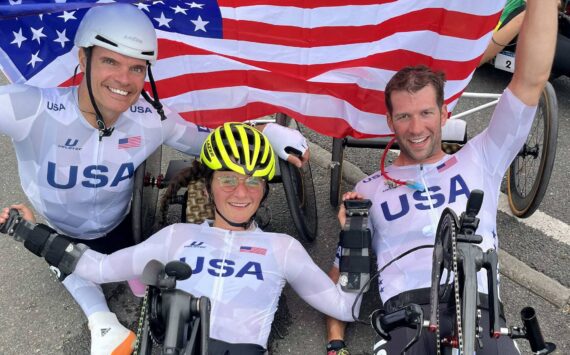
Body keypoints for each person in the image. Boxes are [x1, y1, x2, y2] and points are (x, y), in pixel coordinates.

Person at [0, 4, 309, 354]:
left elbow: (208, 141)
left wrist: (266, 133)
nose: (124, 79)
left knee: (141, 276)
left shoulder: (150, 119)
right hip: (61, 226)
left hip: (123, 225)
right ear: (83, 58)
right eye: (110, 61)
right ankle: (102, 322)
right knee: (66, 254)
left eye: (136, 67)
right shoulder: (30, 108)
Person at [0, 122, 363, 355]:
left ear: (265, 192)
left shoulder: (283, 249)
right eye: (228, 179)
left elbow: (345, 307)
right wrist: (28, 230)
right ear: (208, 185)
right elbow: (98, 268)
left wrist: (355, 232)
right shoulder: (177, 237)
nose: (241, 191)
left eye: (254, 181)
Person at [325, 0, 558, 353]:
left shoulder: (482, 156)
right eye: (403, 117)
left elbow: (530, 81)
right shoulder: (368, 189)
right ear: (389, 122)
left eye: (426, 113)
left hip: (480, 313)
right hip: (407, 319)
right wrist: (335, 343)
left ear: (445, 113)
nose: (416, 128)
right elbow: (345, 275)